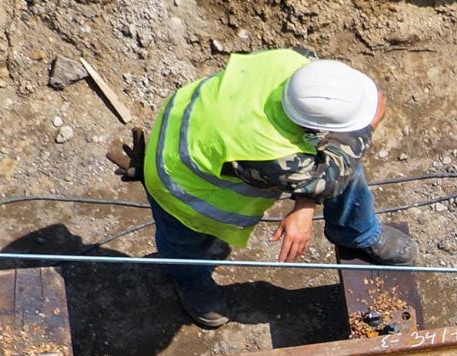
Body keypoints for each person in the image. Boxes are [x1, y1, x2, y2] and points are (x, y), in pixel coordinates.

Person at [142, 48, 416, 329]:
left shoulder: (297, 65)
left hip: (191, 114)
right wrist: (365, 130)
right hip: (178, 180)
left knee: (345, 163)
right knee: (184, 241)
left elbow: (326, 173)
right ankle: (188, 279)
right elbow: (328, 180)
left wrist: (304, 207)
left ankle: (357, 233)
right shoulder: (268, 152)